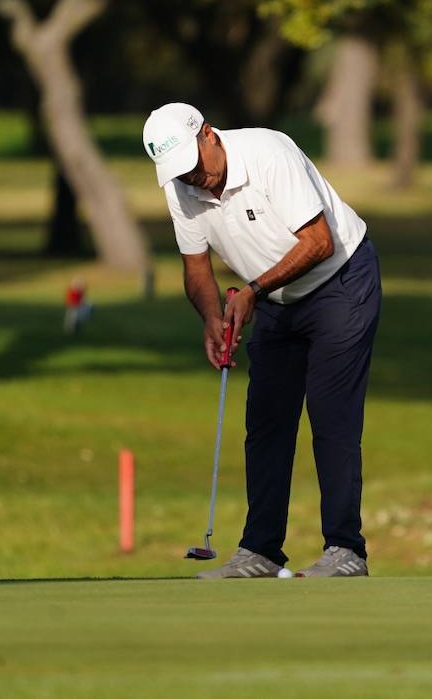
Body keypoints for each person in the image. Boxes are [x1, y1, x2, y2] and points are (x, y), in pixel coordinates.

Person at [143, 102, 381, 579]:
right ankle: (261, 551)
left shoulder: (268, 152)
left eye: (194, 166)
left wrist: (252, 291)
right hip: (273, 296)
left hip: (340, 282)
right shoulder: (183, 188)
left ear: (208, 134)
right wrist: (212, 317)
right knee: (267, 423)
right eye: (180, 174)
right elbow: (196, 267)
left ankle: (345, 549)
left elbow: (318, 243)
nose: (193, 179)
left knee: (331, 417)